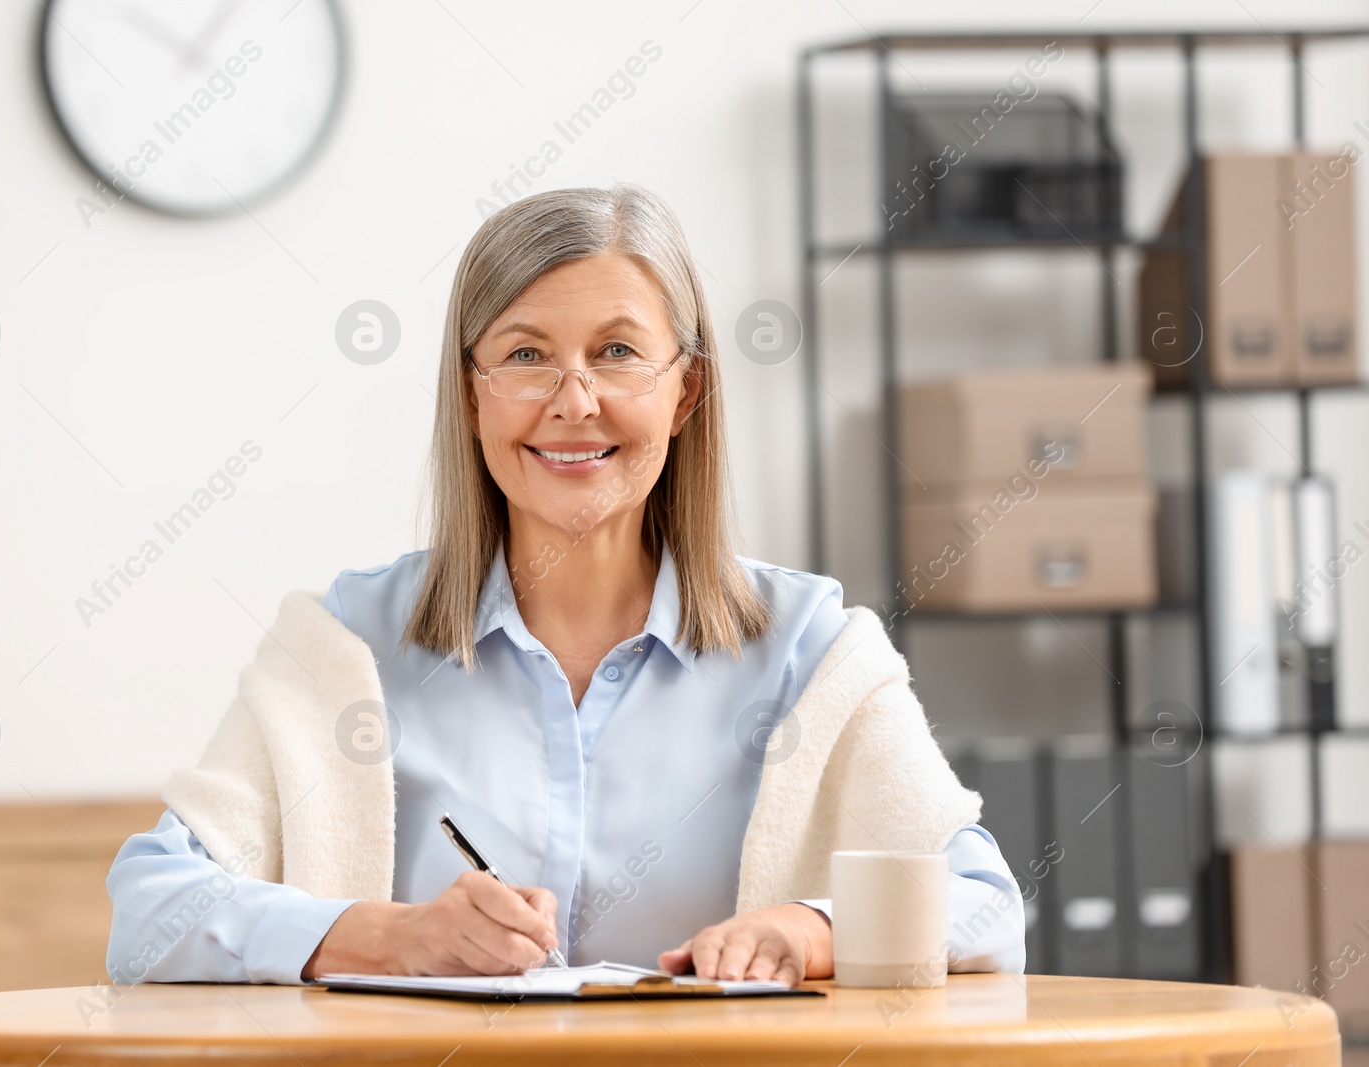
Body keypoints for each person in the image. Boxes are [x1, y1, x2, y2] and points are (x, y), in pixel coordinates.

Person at [104, 183, 1025, 987]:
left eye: (619, 353)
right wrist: (390, 936)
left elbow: (984, 903)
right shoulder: (348, 644)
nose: (573, 400)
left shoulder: (811, 650)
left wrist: (812, 928)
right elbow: (149, 911)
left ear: (687, 390)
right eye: (524, 354)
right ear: (470, 395)